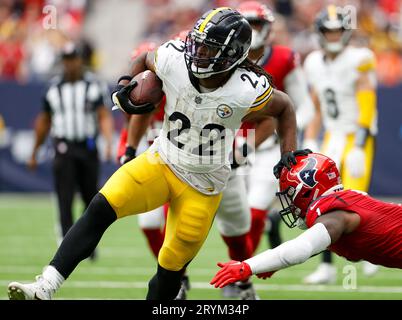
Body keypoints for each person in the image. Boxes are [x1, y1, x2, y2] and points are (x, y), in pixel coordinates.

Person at [8, 7, 300, 300]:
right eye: (197, 43)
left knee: (169, 273)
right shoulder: (174, 58)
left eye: (208, 49)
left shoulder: (246, 88)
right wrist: (127, 82)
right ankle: (45, 286)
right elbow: (145, 58)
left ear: (232, 55)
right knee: (100, 208)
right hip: (162, 161)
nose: (197, 52)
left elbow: (285, 107)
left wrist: (288, 152)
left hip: (204, 185)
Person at [210, 152, 402, 289]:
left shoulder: (336, 215)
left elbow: (302, 248)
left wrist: (247, 267)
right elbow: (319, 244)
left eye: (291, 195)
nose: (291, 204)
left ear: (307, 191)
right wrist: (272, 263)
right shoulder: (342, 206)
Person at [302, 5, 379, 284]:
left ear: (345, 33)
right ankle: (325, 265)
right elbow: (316, 104)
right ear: (320, 33)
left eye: (338, 31)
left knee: (356, 201)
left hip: (356, 135)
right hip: (332, 136)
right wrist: (310, 137)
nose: (333, 36)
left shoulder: (359, 58)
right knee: (322, 200)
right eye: (328, 31)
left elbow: (367, 102)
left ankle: (371, 255)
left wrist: (359, 142)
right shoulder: (312, 62)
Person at [237, 0, 314, 253]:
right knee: (236, 217)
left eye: (256, 24)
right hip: (235, 143)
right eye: (246, 24)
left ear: (268, 28)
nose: (252, 29)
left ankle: (242, 269)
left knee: (255, 208)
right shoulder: (226, 61)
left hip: (271, 145)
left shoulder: (283, 58)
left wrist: (284, 128)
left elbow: (304, 107)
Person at [27, 42, 114, 258]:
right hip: (64, 148)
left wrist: (108, 142)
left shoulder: (93, 85)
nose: (70, 64)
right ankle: (67, 247)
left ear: (79, 60)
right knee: (64, 199)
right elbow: (44, 120)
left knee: (90, 198)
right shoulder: (53, 88)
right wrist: (34, 151)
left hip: (87, 147)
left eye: (73, 59)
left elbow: (103, 115)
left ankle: (89, 244)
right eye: (66, 60)